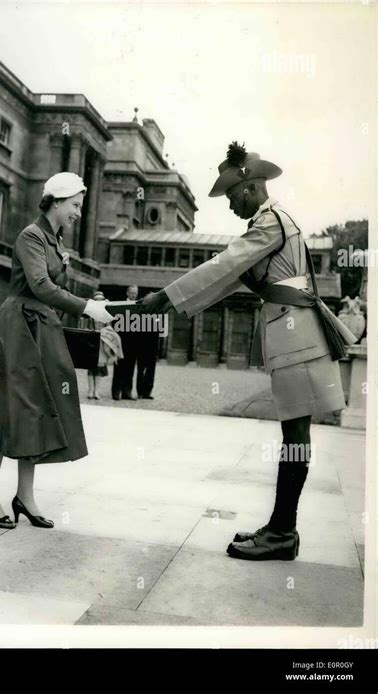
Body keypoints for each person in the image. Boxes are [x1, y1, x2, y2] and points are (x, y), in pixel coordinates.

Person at [140, 142, 356, 561]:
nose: (230, 206)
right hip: (297, 338)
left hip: (297, 341)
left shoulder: (269, 223)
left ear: (250, 188)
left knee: (295, 437)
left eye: (232, 197)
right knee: (293, 436)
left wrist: (165, 297)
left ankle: (282, 532)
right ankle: (281, 527)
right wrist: (171, 301)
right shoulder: (273, 222)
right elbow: (230, 277)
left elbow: (224, 265)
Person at [0, 172, 113, 529]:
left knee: (35, 410)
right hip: (18, 328)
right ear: (55, 201)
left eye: (80, 206)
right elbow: (40, 286)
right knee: (1, 410)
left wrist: (88, 307)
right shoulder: (31, 236)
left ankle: (25, 496)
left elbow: (49, 289)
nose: (78, 213)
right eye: (75, 205)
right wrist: (87, 307)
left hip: (40, 328)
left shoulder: (53, 239)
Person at [86, 290, 121, 399]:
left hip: (102, 342)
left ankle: (97, 391)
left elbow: (109, 328)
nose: (99, 302)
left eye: (101, 300)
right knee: (90, 367)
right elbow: (86, 327)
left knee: (99, 368)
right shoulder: (90, 314)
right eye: (97, 300)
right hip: (92, 340)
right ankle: (90, 390)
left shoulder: (107, 315)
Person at [111, 285, 139, 400]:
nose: (134, 295)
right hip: (120, 340)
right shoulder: (120, 305)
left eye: (135, 293)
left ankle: (127, 392)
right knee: (119, 367)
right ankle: (116, 392)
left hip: (133, 341)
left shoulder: (139, 306)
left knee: (130, 367)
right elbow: (114, 322)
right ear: (127, 293)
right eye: (132, 293)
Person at [135, 313, 160, 399]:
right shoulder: (141, 317)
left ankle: (147, 392)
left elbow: (158, 334)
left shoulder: (157, 317)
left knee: (150, 371)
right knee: (141, 370)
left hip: (152, 348)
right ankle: (140, 392)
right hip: (142, 348)